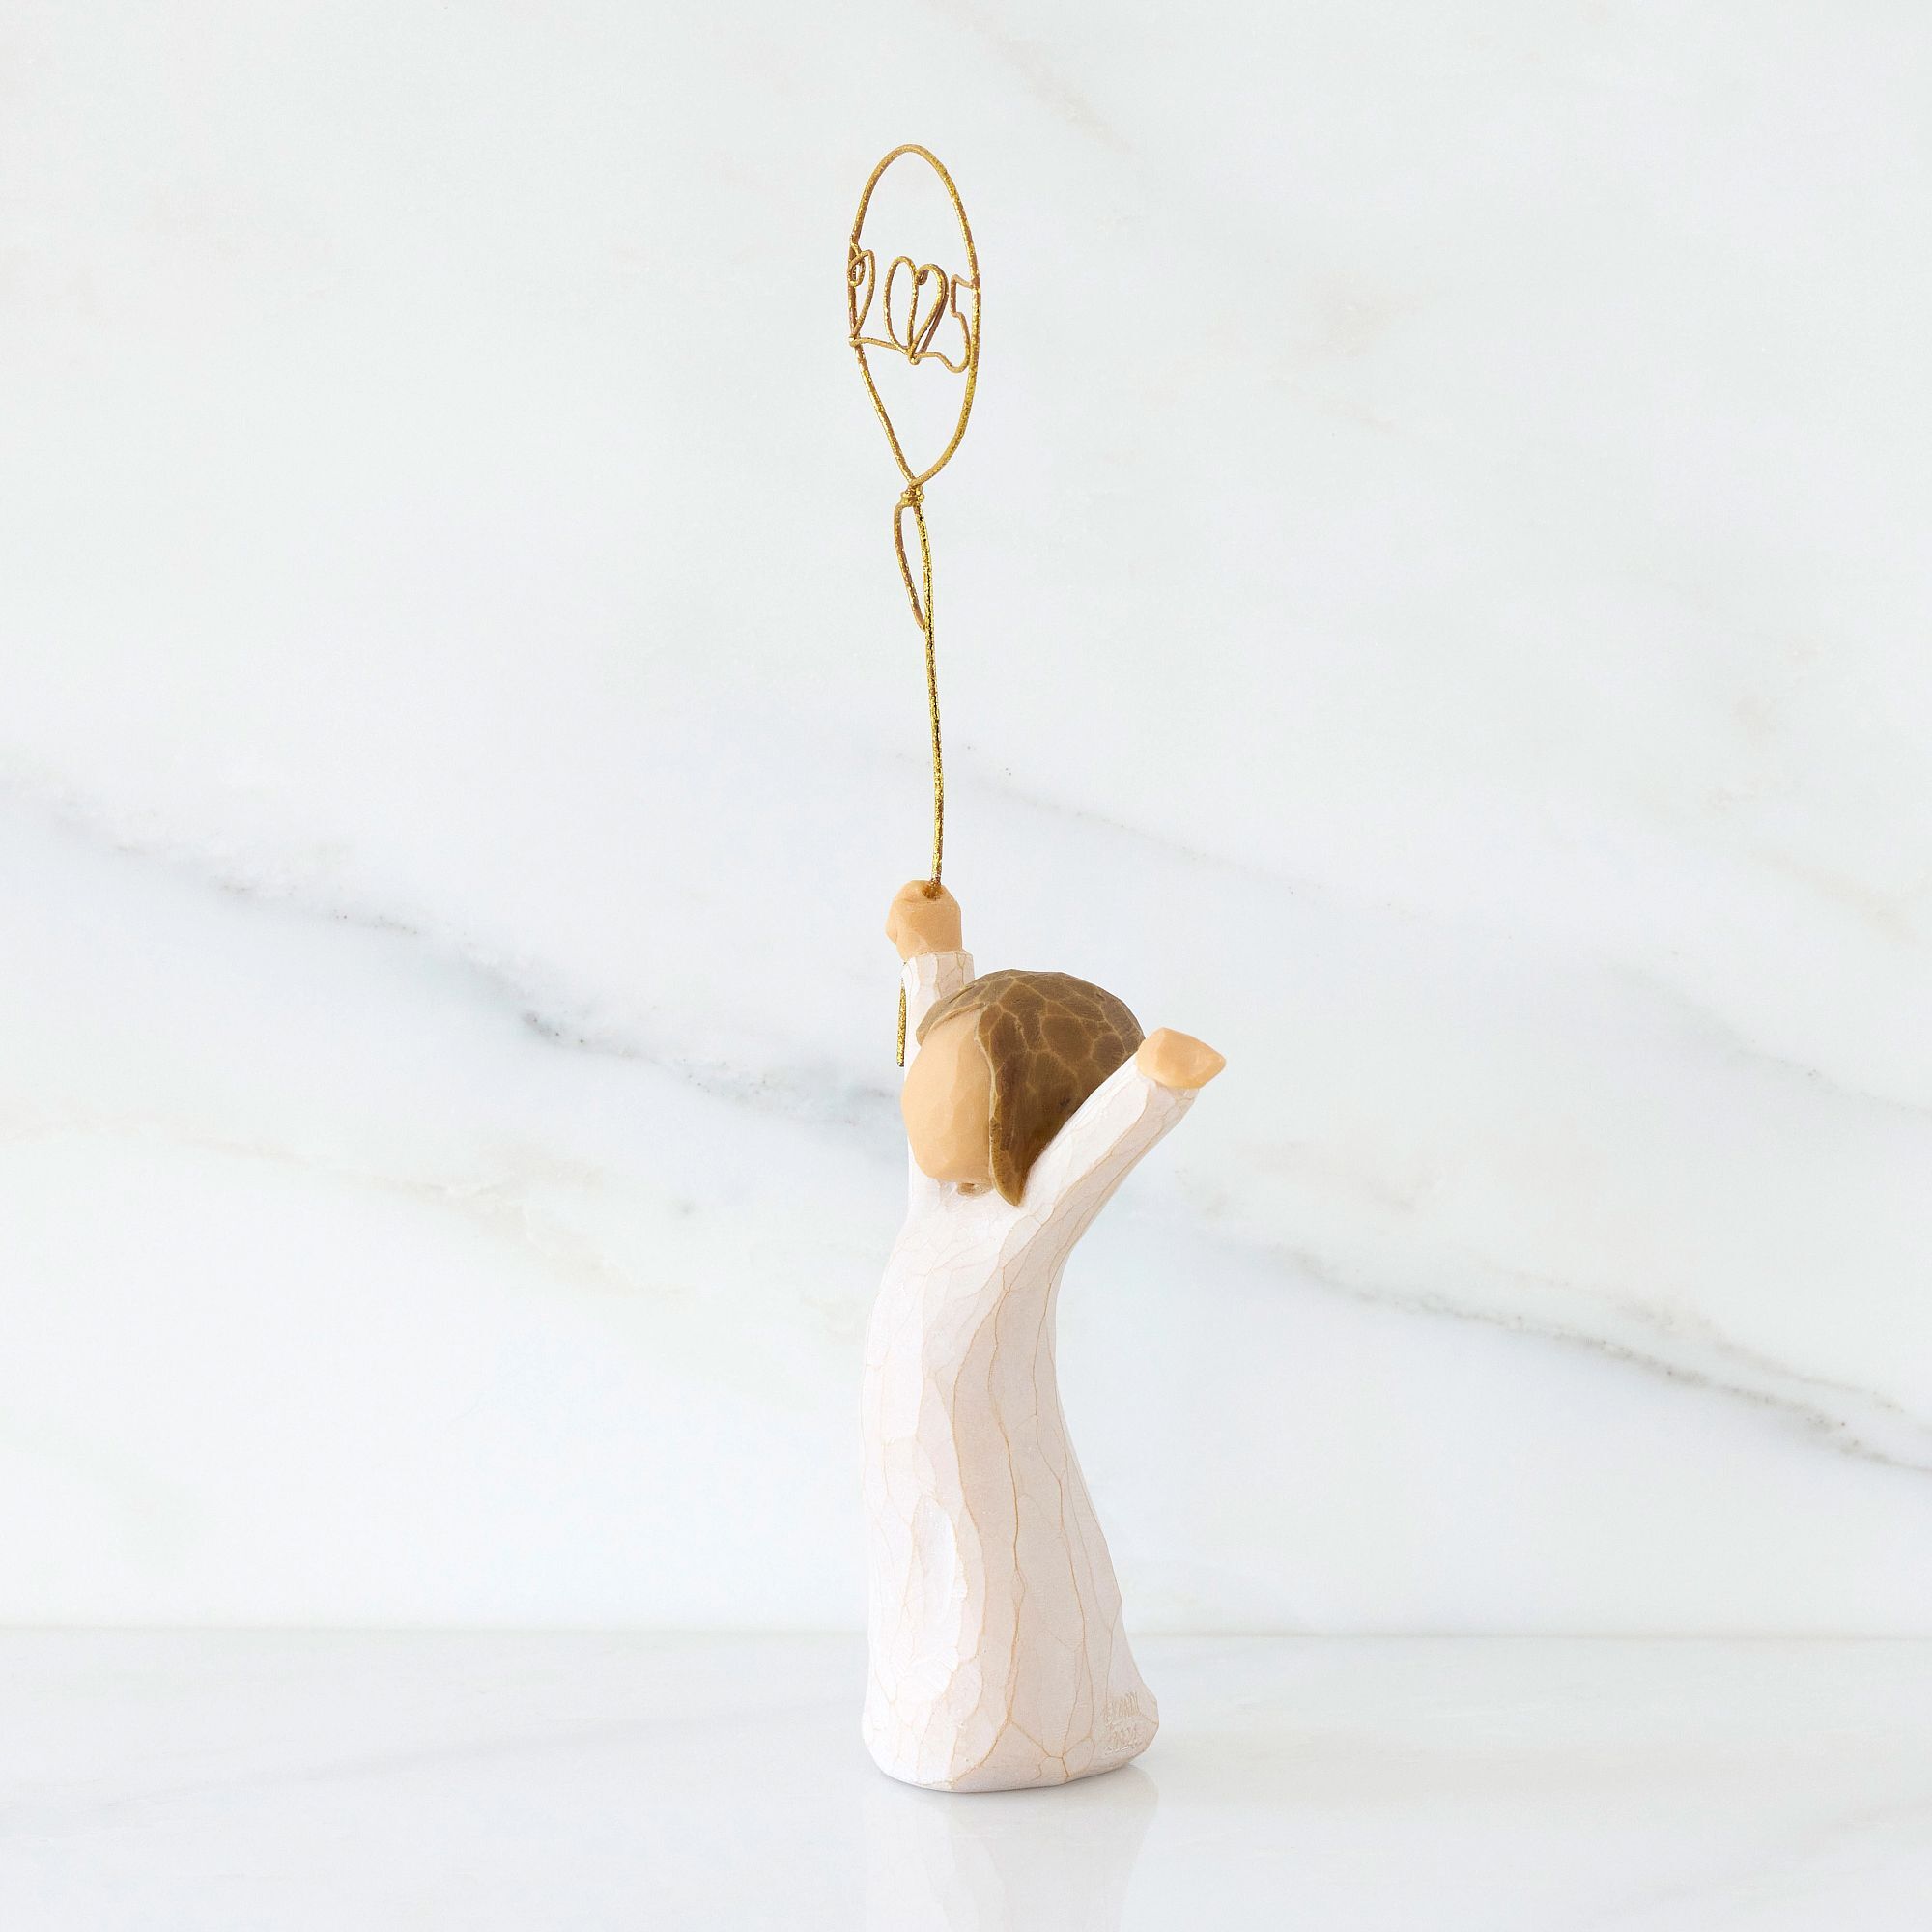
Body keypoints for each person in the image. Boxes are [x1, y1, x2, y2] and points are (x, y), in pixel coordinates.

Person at [862, 879, 1225, 1791]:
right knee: (921, 1588)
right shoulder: (938, 1206)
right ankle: (924, 1710)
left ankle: (1044, 1722)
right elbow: (939, 1081)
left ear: (1022, 1119)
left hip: (993, 1484)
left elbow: (1084, 1159)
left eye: (953, 1079)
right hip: (911, 1486)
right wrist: (932, 953)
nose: (919, 1094)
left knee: (994, 1591)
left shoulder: (1012, 1233)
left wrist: (1153, 1087)